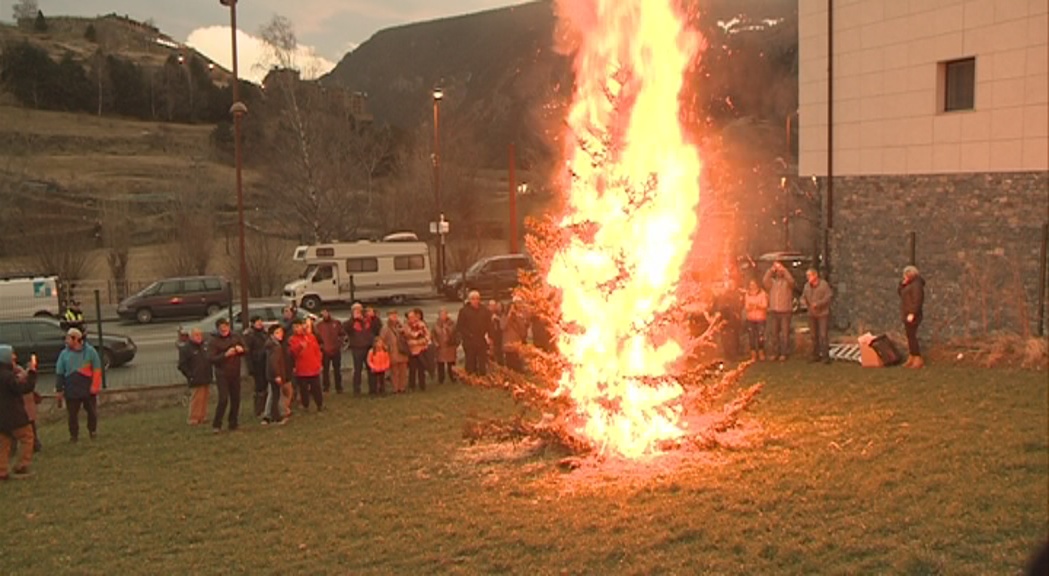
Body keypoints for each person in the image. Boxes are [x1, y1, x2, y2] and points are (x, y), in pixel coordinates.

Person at [55, 328, 102, 442]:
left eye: (68, 338)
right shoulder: (64, 354)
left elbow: (97, 369)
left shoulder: (90, 352)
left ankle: (92, 431)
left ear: (75, 339)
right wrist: (59, 389)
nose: (66, 341)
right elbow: (60, 372)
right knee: (72, 415)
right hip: (71, 389)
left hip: (87, 388)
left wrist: (95, 386)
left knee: (91, 412)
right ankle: (74, 436)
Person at [0, 346, 37, 480]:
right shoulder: (8, 376)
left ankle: (2, 471)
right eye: (12, 355)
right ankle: (22, 465)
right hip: (14, 416)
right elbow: (23, 389)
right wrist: (32, 374)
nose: (14, 357)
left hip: (1, 419)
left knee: (4, 443)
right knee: (27, 437)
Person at [208, 318, 245, 433]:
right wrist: (225, 355)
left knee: (236, 399)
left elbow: (246, 349)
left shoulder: (235, 337)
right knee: (223, 399)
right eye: (222, 328)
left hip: (235, 372)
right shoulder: (214, 341)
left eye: (226, 327)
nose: (224, 330)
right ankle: (217, 424)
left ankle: (233, 423)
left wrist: (241, 350)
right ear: (218, 329)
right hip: (222, 373)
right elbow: (211, 358)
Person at [178, 328, 212, 426]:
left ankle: (203, 416)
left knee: (205, 398)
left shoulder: (204, 346)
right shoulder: (186, 349)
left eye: (200, 335)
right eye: (196, 335)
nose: (199, 337)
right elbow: (182, 365)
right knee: (197, 398)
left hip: (206, 376)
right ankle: (194, 418)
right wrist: (190, 375)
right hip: (195, 378)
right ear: (191, 336)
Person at [763, 261, 796, 361]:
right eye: (777, 271)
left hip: (785, 311)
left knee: (785, 334)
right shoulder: (772, 283)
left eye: (779, 271)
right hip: (774, 311)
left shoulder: (787, 283)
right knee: (774, 334)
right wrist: (770, 270)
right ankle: (775, 353)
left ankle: (784, 353)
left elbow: (792, 281)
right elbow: (764, 280)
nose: (779, 273)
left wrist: (784, 270)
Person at [289, 318, 324, 411]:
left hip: (313, 367)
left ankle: (319, 404)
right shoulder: (293, 339)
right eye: (295, 327)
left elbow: (317, 351)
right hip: (302, 369)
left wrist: (319, 363)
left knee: (316, 388)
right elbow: (293, 353)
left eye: (298, 326)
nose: (297, 329)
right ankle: (306, 405)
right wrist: (300, 347)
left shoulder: (311, 337)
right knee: (303, 389)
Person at [801, 268, 834, 364]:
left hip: (822, 314)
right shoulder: (807, 286)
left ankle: (825, 356)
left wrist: (818, 304)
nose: (808, 278)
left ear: (815, 276)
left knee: (823, 335)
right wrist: (803, 302)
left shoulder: (824, 285)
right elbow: (803, 296)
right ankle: (815, 355)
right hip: (811, 314)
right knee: (813, 335)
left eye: (809, 275)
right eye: (807, 276)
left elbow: (828, 296)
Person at [456, 291, 491, 376]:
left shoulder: (484, 310)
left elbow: (489, 324)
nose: (475, 301)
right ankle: (471, 376)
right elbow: (460, 326)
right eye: (473, 299)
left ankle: (482, 375)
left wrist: (488, 335)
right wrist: (469, 335)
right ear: (469, 300)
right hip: (469, 340)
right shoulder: (464, 311)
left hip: (481, 339)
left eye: (477, 299)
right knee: (470, 360)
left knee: (482, 359)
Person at [898, 265, 926, 369]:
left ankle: (917, 358)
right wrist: (902, 285)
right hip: (907, 313)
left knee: (912, 336)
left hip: (912, 314)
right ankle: (912, 356)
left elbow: (917, 300)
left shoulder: (916, 285)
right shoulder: (909, 284)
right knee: (910, 336)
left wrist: (913, 313)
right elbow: (901, 294)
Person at [263, 324, 292, 424]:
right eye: (277, 333)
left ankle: (271, 416)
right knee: (275, 396)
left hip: (272, 375)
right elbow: (273, 362)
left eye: (281, 332)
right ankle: (276, 417)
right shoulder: (276, 347)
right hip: (275, 375)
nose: (281, 335)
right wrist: (277, 375)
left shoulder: (271, 345)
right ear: (272, 335)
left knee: (274, 395)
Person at [344, 303, 373, 396]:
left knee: (371, 369)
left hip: (368, 347)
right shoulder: (350, 322)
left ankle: (373, 389)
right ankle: (357, 390)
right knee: (358, 369)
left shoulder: (367, 320)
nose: (359, 311)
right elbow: (345, 328)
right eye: (356, 310)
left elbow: (377, 327)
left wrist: (373, 316)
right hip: (357, 348)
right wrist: (353, 319)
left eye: (360, 309)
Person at [316, 309, 347, 393]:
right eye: (323, 314)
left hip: (336, 350)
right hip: (325, 351)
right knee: (325, 370)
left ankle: (339, 387)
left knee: (337, 369)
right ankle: (326, 387)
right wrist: (321, 347)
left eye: (326, 313)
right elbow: (317, 338)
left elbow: (342, 334)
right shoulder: (319, 325)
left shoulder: (336, 323)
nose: (325, 315)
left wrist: (339, 343)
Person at [244, 316, 269, 417]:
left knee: (266, 386)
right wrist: (250, 367)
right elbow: (248, 353)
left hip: (266, 363)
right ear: (253, 324)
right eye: (257, 322)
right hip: (257, 364)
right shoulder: (250, 336)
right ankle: (259, 410)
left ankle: (266, 407)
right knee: (260, 387)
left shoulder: (264, 334)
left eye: (260, 321)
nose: (260, 324)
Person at [380, 310, 410, 394]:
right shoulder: (386, 328)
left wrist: (404, 331)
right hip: (393, 352)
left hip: (402, 351)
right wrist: (386, 348)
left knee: (403, 371)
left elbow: (408, 335)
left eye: (395, 315)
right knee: (394, 371)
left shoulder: (401, 325)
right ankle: (395, 388)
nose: (394, 317)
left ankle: (402, 387)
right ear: (388, 316)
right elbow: (381, 339)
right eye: (392, 315)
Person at [403, 310, 431, 391]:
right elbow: (409, 338)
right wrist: (418, 339)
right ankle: (412, 386)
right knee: (412, 369)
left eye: (413, 316)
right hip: (412, 352)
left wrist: (420, 341)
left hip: (422, 350)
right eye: (410, 317)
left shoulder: (421, 324)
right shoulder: (406, 326)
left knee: (421, 369)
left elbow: (428, 336)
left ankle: (422, 386)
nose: (412, 319)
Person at [502, 297, 530, 372]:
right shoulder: (505, 316)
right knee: (510, 366)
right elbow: (503, 326)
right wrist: (510, 315)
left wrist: (520, 318)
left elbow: (523, 332)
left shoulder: (520, 316)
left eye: (520, 303)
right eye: (517, 303)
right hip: (509, 345)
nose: (519, 305)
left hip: (518, 345)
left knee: (518, 367)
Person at [743, 279, 769, 361]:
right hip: (750, 318)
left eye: (754, 284)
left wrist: (756, 305)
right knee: (751, 336)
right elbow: (747, 307)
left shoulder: (762, 293)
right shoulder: (747, 294)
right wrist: (754, 306)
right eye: (751, 284)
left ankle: (761, 353)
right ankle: (753, 355)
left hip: (760, 318)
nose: (752, 286)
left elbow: (764, 305)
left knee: (760, 336)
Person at [433, 308, 458, 384]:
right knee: (440, 363)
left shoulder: (451, 323)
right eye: (441, 315)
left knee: (451, 363)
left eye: (445, 314)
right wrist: (435, 343)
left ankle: (453, 377)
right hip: (440, 346)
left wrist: (447, 329)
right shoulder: (436, 324)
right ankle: (441, 379)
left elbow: (455, 333)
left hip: (450, 346)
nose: (443, 316)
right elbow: (433, 335)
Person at [488, 300, 505, 365]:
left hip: (499, 336)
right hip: (491, 336)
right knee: (491, 353)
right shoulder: (486, 314)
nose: (492, 307)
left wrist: (498, 318)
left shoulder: (499, 314)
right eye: (491, 305)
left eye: (494, 305)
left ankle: (501, 365)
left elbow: (503, 323)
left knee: (499, 352)